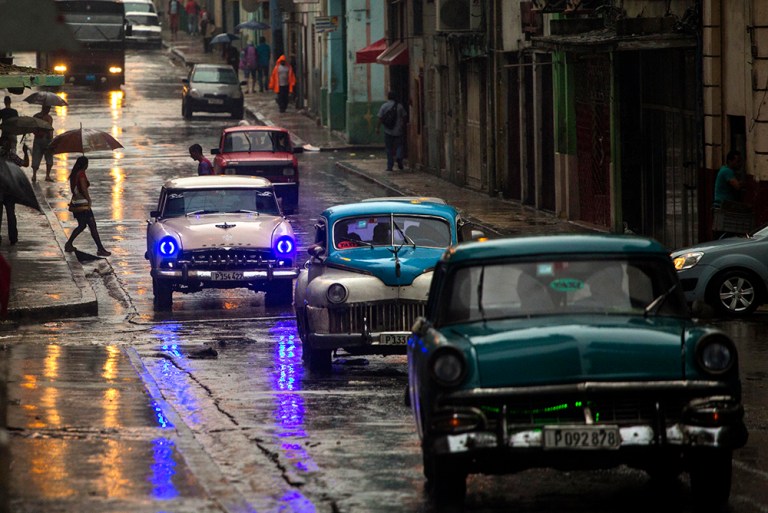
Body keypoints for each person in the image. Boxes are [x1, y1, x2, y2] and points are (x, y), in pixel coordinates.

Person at [64, 156, 111, 257]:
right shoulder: (81, 174)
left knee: (86, 225)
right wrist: (89, 199)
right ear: (85, 164)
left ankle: (99, 248)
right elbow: (84, 188)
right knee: (89, 225)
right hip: (82, 204)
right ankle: (100, 249)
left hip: (76, 203)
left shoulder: (74, 174)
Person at [0, 135, 30, 245]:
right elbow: (25, 164)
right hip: (9, 189)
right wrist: (26, 152)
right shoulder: (11, 156)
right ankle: (13, 237)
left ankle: (12, 237)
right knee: (11, 214)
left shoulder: (8, 155)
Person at [376, 91, 408, 171]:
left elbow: (380, 118)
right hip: (398, 130)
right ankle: (399, 157)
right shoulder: (399, 106)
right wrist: (402, 125)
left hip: (388, 130)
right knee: (399, 145)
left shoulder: (384, 106)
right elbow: (404, 116)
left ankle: (390, 166)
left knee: (389, 148)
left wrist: (378, 128)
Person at [31, 105, 54, 182]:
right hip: (47, 139)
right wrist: (52, 140)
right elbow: (50, 129)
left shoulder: (36, 116)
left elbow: (32, 128)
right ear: (47, 108)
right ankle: (47, 175)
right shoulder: (49, 118)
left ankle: (34, 175)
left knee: (36, 156)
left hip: (37, 139)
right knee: (49, 157)